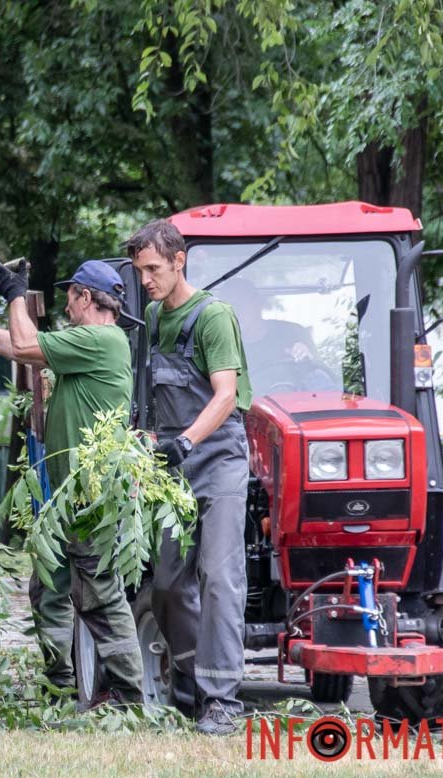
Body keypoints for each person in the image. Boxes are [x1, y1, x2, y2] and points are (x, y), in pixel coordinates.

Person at [0, 260, 144, 708]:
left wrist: (16, 294)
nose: (66, 307)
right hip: (66, 498)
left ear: (85, 297)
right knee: (48, 589)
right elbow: (19, 349)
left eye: (70, 297)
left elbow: (24, 342)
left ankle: (128, 699)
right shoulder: (86, 345)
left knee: (100, 597)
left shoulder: (102, 340)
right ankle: (59, 690)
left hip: (92, 499)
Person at [125, 219, 252, 736]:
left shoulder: (213, 317)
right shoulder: (155, 317)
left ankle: (222, 701)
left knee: (219, 578)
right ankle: (192, 683)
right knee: (168, 585)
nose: (146, 280)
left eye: (154, 269)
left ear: (180, 261)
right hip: (172, 463)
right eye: (140, 271)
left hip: (217, 457)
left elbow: (225, 395)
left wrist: (187, 442)